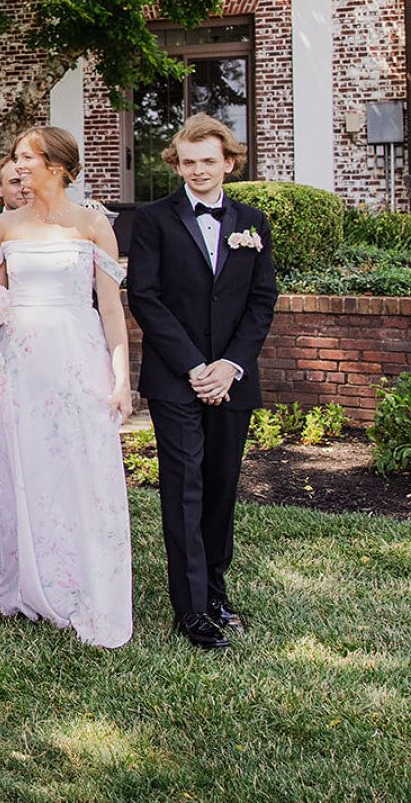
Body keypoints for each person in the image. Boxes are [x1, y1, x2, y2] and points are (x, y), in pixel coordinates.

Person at [126, 115, 278, 650]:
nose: (198, 171)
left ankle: (216, 591)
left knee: (219, 488)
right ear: (177, 165)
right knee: (184, 488)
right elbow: (145, 296)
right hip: (176, 379)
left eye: (208, 161)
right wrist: (194, 366)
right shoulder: (151, 220)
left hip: (232, 380)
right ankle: (191, 610)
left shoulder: (252, 221)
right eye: (188, 162)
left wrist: (230, 365)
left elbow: (262, 302)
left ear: (228, 163)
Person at [0, 126, 134, 648]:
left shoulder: (93, 224)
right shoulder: (4, 225)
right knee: (25, 469)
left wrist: (121, 378)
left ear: (57, 165)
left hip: (76, 356)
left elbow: (111, 308)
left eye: (27, 158)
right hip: (19, 363)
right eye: (17, 159)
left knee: (79, 468)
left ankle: (83, 583)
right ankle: (29, 583)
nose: (18, 166)